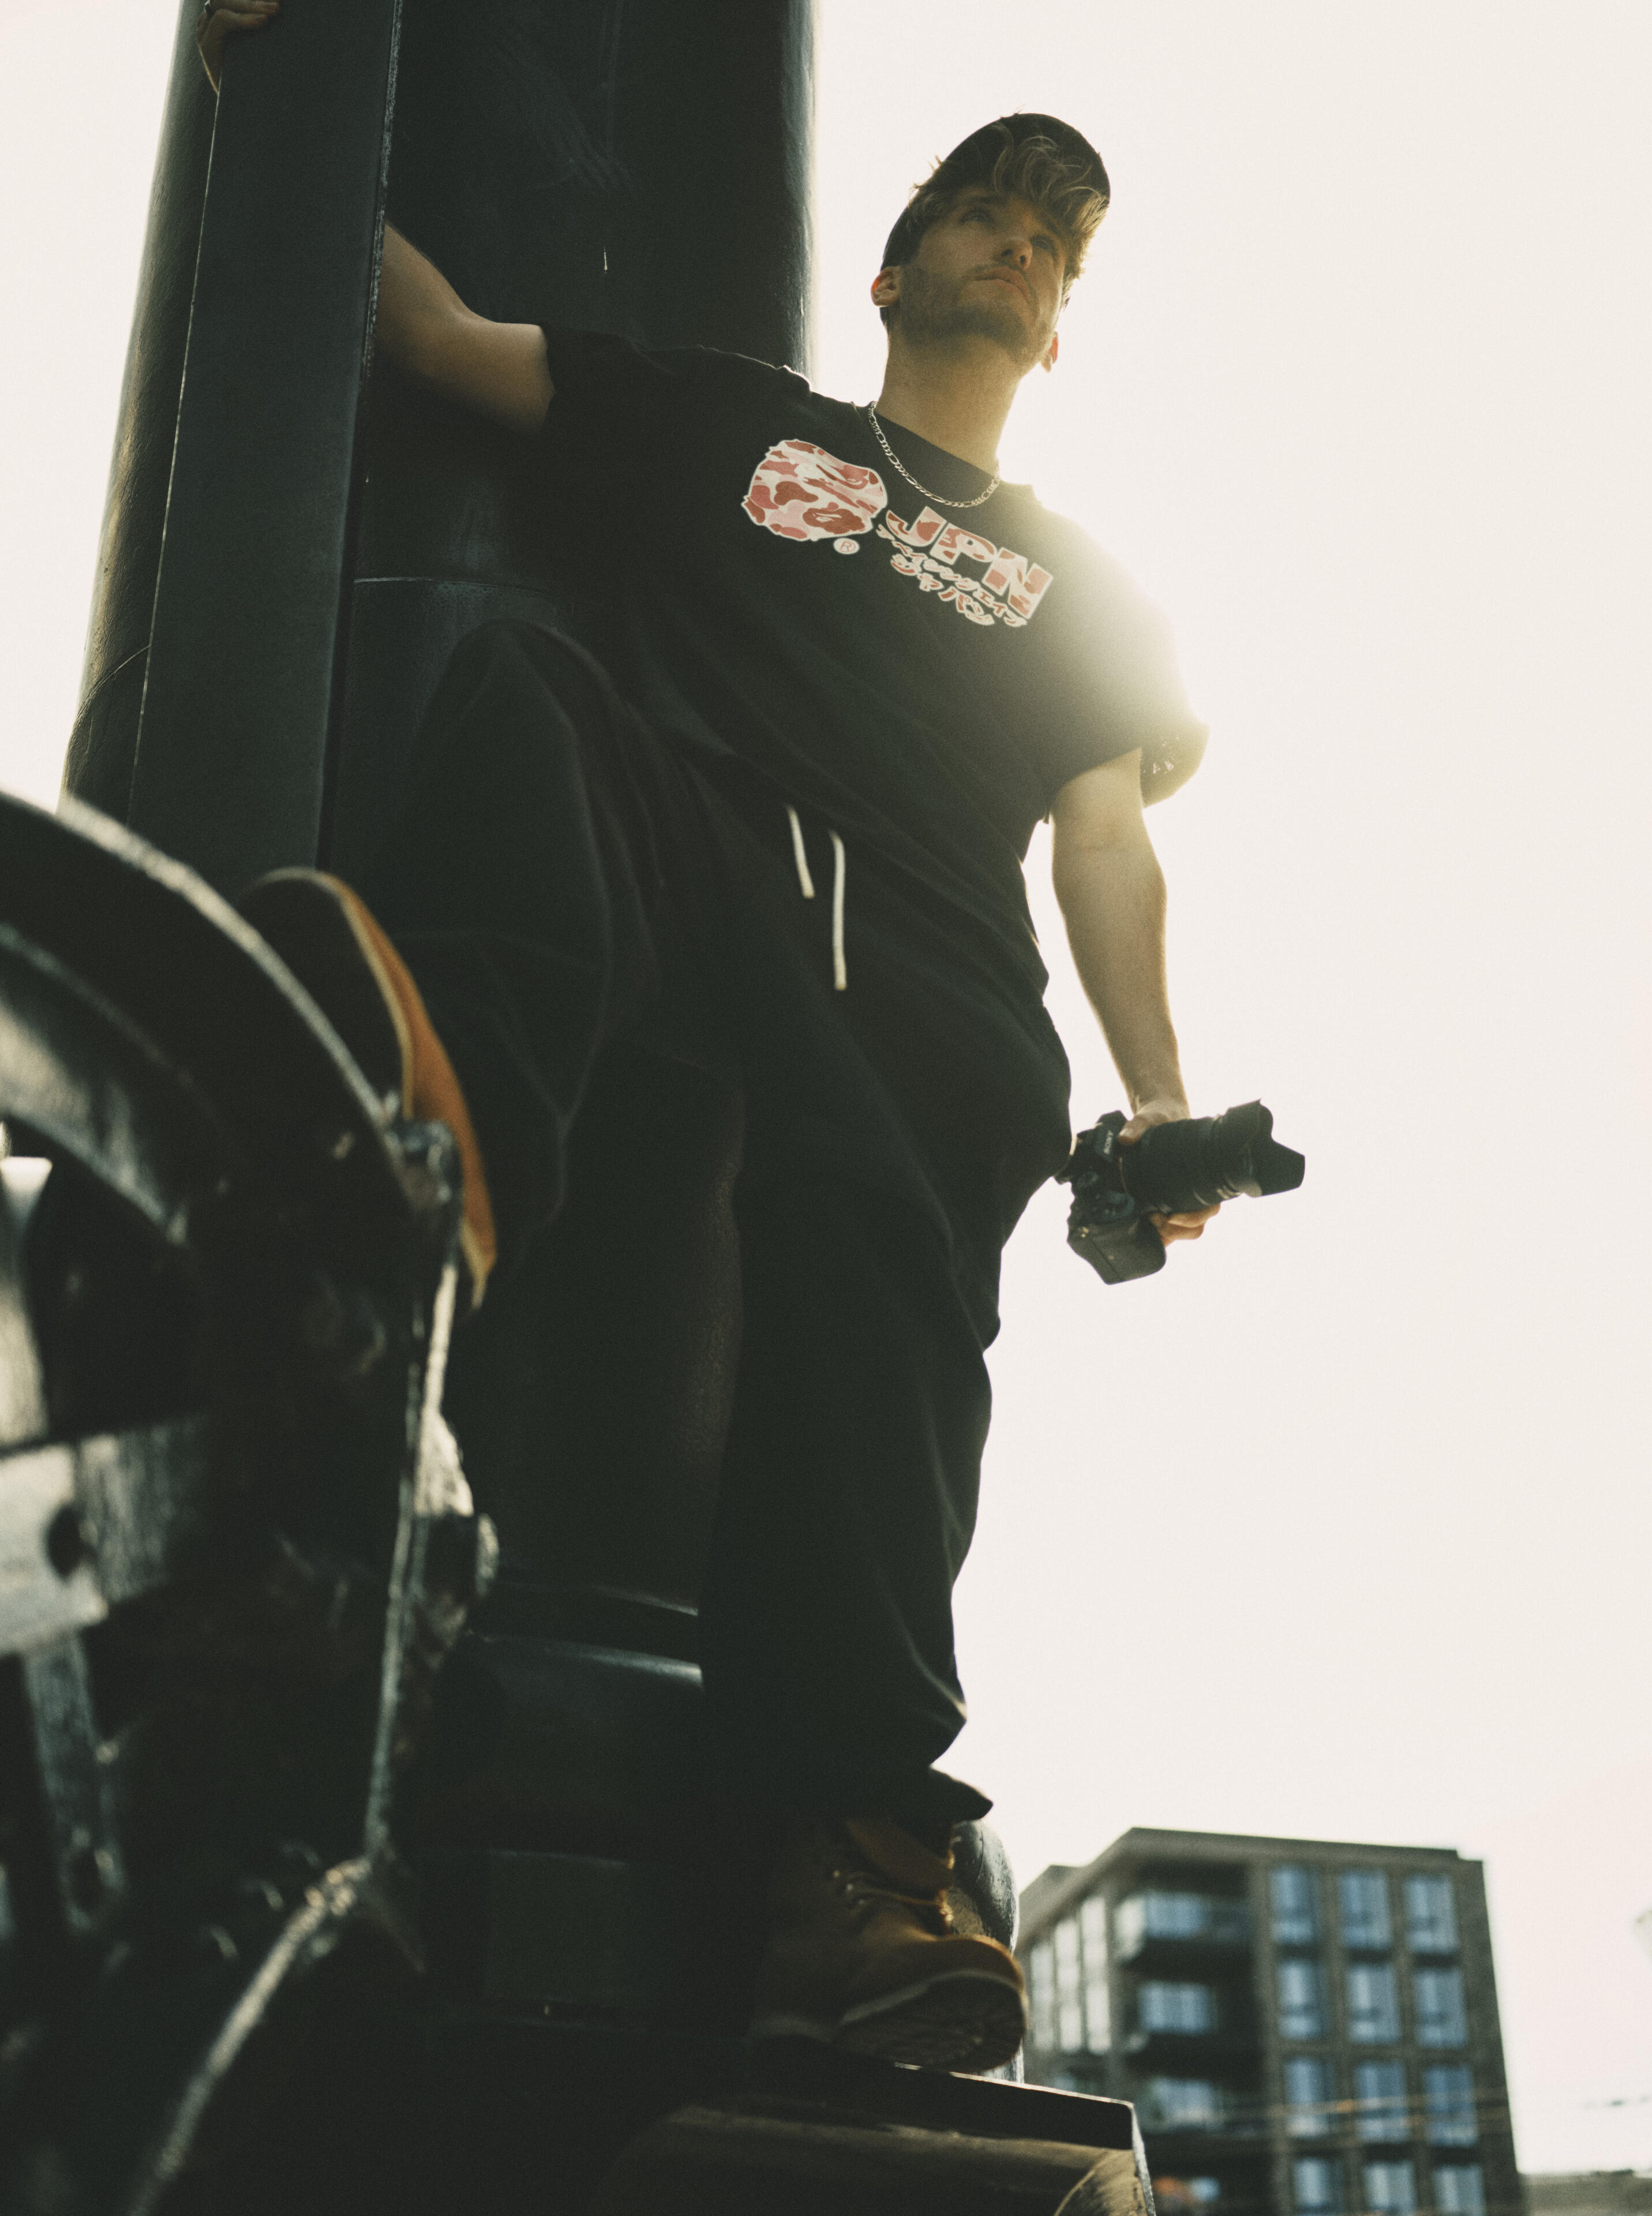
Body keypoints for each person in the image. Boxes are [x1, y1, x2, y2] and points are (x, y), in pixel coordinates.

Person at [200, 2, 1219, 2073]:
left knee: (877, 1318)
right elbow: (438, 340)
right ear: (895, 270)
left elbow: (1107, 837)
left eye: (1053, 244)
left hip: (931, 960)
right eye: (989, 213)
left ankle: (850, 1859)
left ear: (1059, 332)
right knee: (533, 693)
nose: (1021, 247)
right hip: (716, 846)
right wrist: (273, 88)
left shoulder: (1079, 581)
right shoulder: (736, 425)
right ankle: (416, 1185)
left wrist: (1160, 1101)